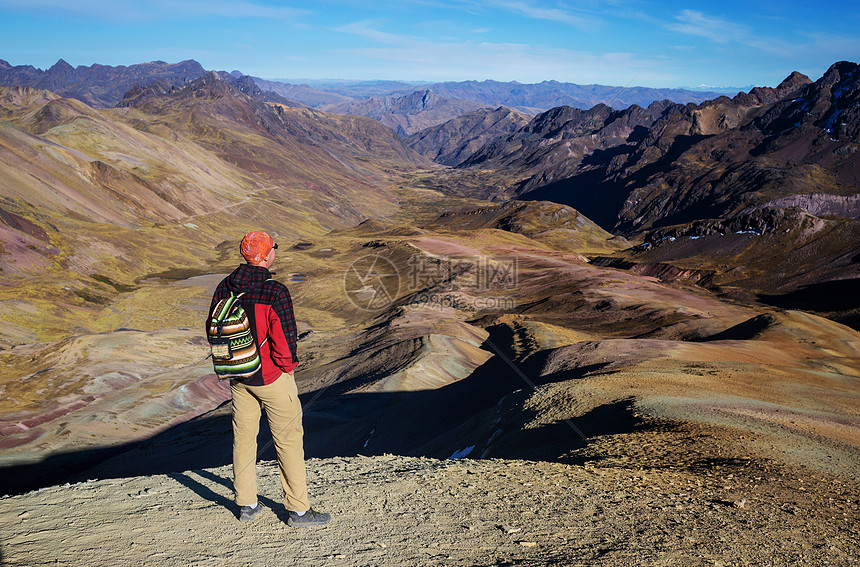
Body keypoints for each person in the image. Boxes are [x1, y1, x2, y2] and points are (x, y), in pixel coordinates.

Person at [207, 231, 330, 526]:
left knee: (244, 439)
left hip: (239, 376)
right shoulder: (274, 291)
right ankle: (298, 510)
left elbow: (212, 328)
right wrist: (287, 368)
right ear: (264, 255)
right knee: (288, 440)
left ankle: (247, 504)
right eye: (274, 247)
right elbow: (285, 339)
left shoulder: (224, 287)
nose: (276, 250)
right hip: (271, 378)